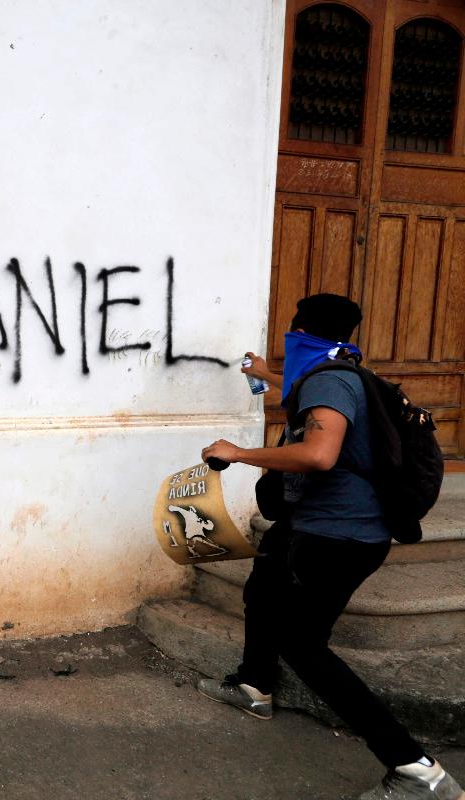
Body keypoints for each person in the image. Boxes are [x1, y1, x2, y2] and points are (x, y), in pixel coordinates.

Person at [198, 293, 462, 800]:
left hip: (337, 537)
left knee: (303, 646)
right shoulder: (342, 368)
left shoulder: (328, 380)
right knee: (264, 583)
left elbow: (320, 453)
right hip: (314, 526)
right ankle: (255, 685)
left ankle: (416, 770)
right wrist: (265, 373)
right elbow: (306, 389)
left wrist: (239, 453)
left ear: (299, 331)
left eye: (291, 332)